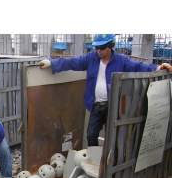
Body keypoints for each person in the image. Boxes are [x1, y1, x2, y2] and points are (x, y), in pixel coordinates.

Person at [39, 34, 172, 146]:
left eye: (102, 48)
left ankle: (108, 165)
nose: (99, 51)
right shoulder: (91, 58)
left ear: (111, 46)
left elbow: (138, 67)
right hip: (96, 105)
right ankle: (92, 158)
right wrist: (52, 63)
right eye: (96, 47)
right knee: (91, 135)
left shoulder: (121, 61)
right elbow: (72, 62)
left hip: (113, 106)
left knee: (112, 137)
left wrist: (157, 68)